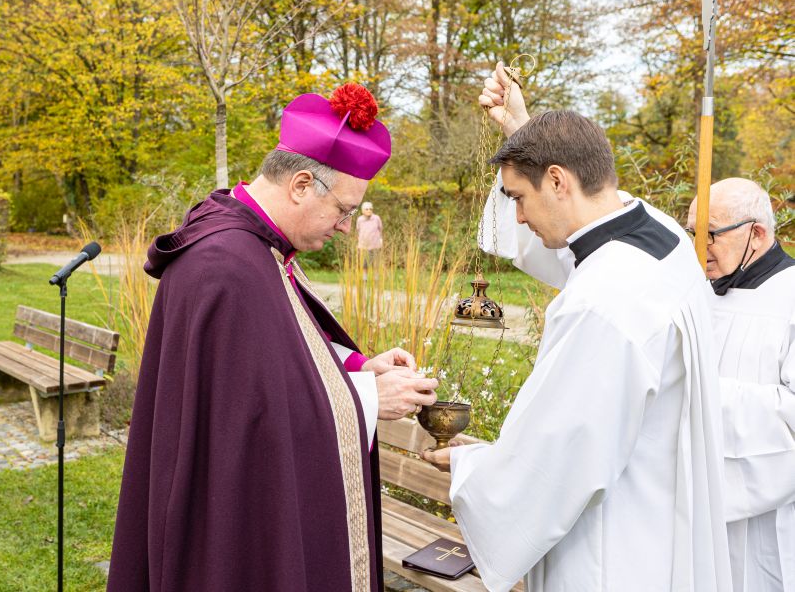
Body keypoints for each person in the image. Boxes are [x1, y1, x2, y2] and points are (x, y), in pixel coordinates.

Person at [107, 83, 438, 591]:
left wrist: (355, 368)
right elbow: (246, 424)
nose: (347, 228)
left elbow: (278, 354)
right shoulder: (227, 266)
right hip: (228, 526)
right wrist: (369, 397)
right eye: (344, 210)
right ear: (302, 184)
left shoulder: (258, 249)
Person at [420, 62, 732, 592]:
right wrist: (520, 129)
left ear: (559, 180)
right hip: (665, 511)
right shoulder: (656, 235)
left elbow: (554, 462)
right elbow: (577, 256)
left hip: (617, 548)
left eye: (518, 197)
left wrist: (472, 469)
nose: (516, 217)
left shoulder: (604, 302)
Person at [686, 179, 795, 592]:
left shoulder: (791, 297)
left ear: (757, 233)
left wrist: (702, 392)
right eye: (691, 233)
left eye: (709, 234)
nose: (699, 248)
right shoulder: (697, 294)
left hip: (771, 521)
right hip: (697, 509)